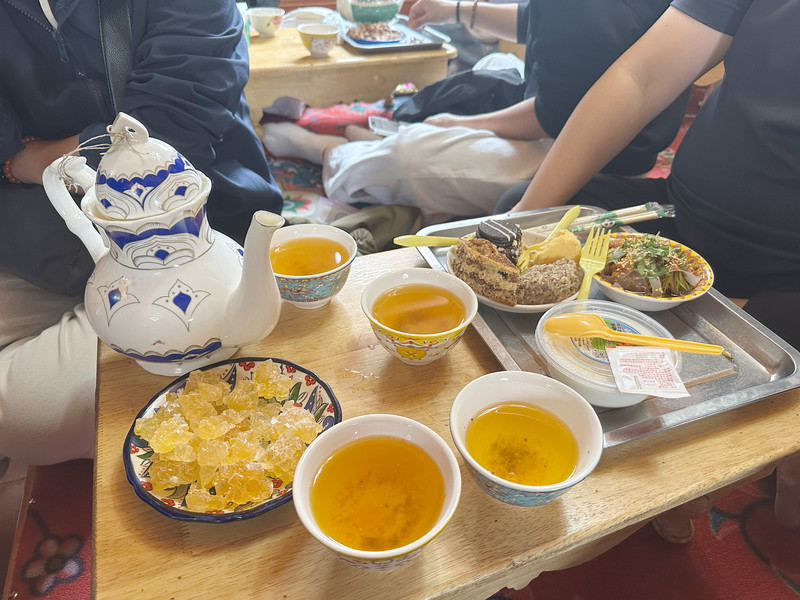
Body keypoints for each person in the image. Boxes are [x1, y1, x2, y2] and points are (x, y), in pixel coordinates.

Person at [499, 0, 800, 533]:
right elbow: (641, 76)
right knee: (525, 219)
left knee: (745, 377)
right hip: (677, 214)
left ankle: (681, 483)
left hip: (787, 278)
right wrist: (524, 217)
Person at [0, 0, 282, 465]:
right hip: (33, 235)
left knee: (30, 415)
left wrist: (27, 160)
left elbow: (170, 128)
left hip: (202, 225)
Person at [263, 0, 689, 226]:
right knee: (493, 66)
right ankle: (390, 136)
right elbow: (536, 21)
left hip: (588, 155)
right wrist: (455, 10)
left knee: (412, 156)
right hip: (561, 116)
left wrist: (459, 124)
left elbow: (553, 118)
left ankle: (333, 152)